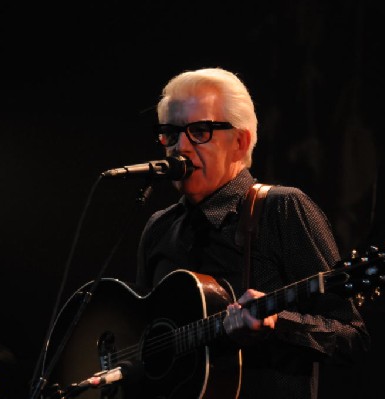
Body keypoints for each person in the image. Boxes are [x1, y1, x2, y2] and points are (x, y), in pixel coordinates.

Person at [135, 67, 371, 399]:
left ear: (240, 141)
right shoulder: (160, 227)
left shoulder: (283, 208)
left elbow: (351, 337)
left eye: (200, 131)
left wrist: (279, 324)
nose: (181, 147)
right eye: (170, 133)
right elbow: (141, 340)